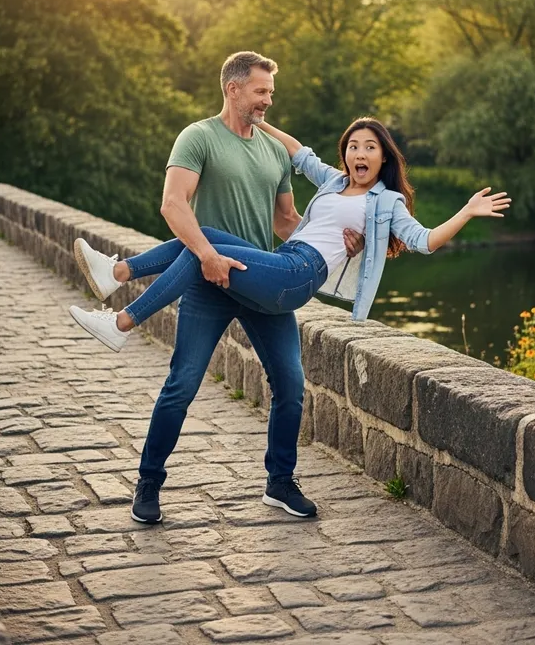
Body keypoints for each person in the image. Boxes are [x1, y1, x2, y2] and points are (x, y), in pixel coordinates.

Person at [70, 86, 512, 527]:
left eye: (369, 147)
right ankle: (158, 482)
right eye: (353, 145)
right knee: (204, 273)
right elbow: (302, 154)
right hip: (264, 268)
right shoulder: (332, 181)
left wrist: (467, 212)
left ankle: (123, 309)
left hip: (290, 276)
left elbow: (425, 241)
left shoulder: (386, 202)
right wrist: (263, 124)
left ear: (383, 159)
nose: (359, 153)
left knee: (208, 255)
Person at [74, 51, 364, 525]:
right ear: (233, 89)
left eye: (270, 92)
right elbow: (173, 205)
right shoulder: (198, 136)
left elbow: (288, 223)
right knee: (181, 386)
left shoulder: (273, 151)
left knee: (291, 387)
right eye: (261, 92)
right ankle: (148, 483)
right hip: (206, 279)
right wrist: (208, 258)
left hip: (260, 279)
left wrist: (342, 246)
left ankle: (280, 482)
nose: (268, 100)